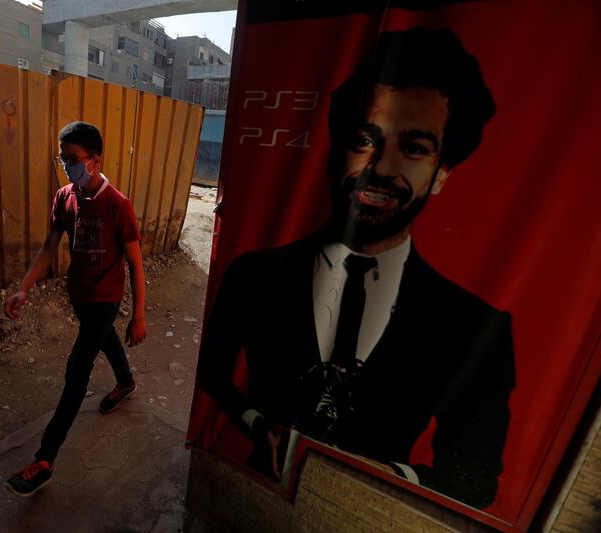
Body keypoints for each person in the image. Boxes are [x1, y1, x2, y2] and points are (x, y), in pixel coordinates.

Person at [197, 28, 516, 510]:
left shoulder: (476, 329)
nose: (381, 168)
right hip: (247, 501)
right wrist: (255, 422)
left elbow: (475, 480)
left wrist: (382, 477)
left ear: (443, 171)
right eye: (366, 138)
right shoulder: (253, 274)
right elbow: (212, 371)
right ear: (334, 147)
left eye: (414, 148)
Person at [3, 121, 147, 497]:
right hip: (80, 297)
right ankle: (126, 382)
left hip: (106, 299)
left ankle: (45, 460)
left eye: (73, 160)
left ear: (94, 161)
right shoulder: (64, 198)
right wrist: (23, 289)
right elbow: (49, 249)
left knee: (76, 373)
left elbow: (135, 264)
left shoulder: (118, 206)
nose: (67, 167)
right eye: (63, 159)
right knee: (107, 339)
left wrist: (140, 315)